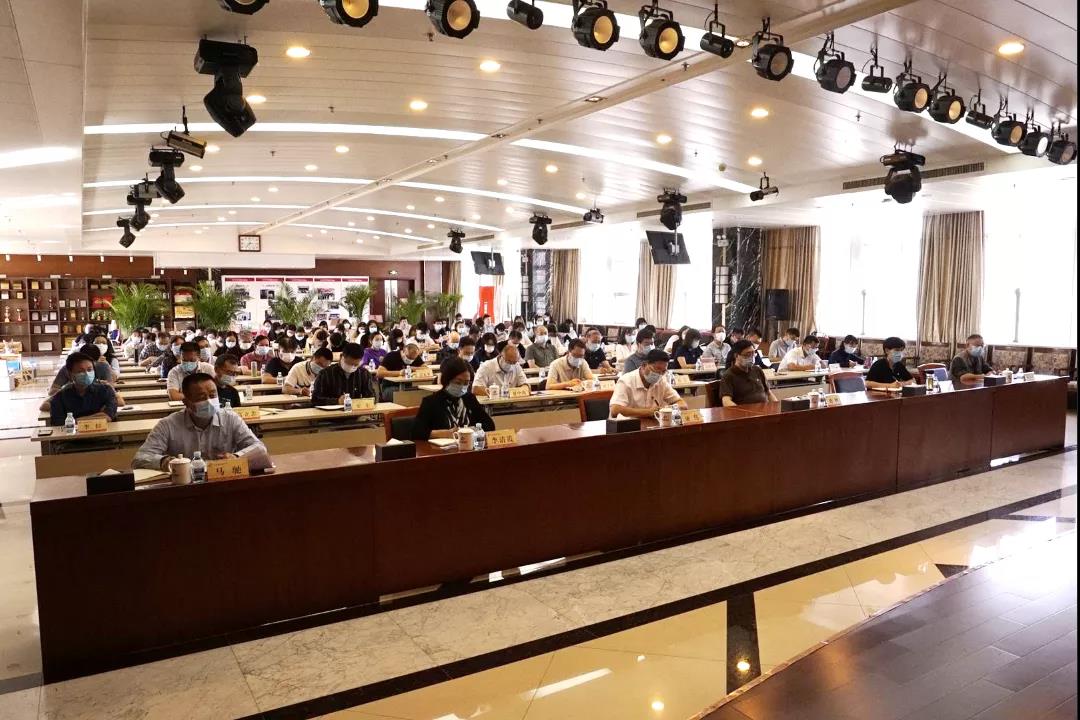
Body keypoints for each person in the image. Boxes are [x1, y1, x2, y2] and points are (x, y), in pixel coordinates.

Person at [133, 373, 269, 471]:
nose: (209, 401)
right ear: (186, 402)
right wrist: (166, 462)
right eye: (201, 397)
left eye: (213, 395)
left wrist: (236, 457)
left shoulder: (231, 418)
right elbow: (140, 458)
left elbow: (259, 448)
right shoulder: (168, 424)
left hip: (222, 480)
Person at [411, 357, 495, 441]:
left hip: (468, 444)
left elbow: (490, 425)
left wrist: (471, 430)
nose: (462, 386)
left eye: (466, 383)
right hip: (442, 447)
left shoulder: (469, 399)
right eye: (458, 382)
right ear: (447, 380)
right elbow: (417, 432)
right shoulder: (431, 402)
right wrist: (445, 433)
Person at [609, 349, 687, 418]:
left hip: (652, 425)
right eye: (657, 369)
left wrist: (666, 410)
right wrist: (648, 412)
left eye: (663, 371)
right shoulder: (626, 381)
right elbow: (615, 410)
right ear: (644, 365)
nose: (659, 374)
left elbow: (682, 404)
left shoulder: (661, 381)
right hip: (628, 426)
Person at [48, 352, 119, 426]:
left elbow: (108, 416)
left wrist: (73, 420)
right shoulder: (60, 397)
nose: (86, 373)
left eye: (89, 370)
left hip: (105, 432)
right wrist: (98, 416)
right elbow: (58, 423)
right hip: (73, 433)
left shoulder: (106, 390)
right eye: (80, 371)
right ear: (70, 374)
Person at [311, 342, 376, 405]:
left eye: (355, 365)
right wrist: (336, 401)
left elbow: (372, 398)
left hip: (355, 411)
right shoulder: (325, 374)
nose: (351, 367)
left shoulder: (364, 374)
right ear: (341, 357)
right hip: (332, 411)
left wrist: (364, 401)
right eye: (348, 363)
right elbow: (315, 399)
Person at [718, 340, 778, 406]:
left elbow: (769, 393)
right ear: (736, 355)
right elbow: (726, 401)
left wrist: (776, 406)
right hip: (745, 410)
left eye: (753, 353)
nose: (751, 357)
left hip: (764, 409)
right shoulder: (729, 375)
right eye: (748, 354)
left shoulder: (757, 370)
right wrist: (740, 411)